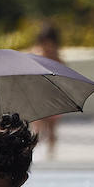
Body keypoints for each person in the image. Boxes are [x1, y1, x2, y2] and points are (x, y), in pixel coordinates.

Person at [30, 23, 64, 159]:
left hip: (52, 97)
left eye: (50, 44)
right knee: (36, 128)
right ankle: (31, 152)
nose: (47, 47)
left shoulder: (57, 58)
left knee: (51, 128)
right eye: (45, 44)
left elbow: (62, 76)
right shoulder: (37, 55)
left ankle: (51, 153)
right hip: (38, 96)